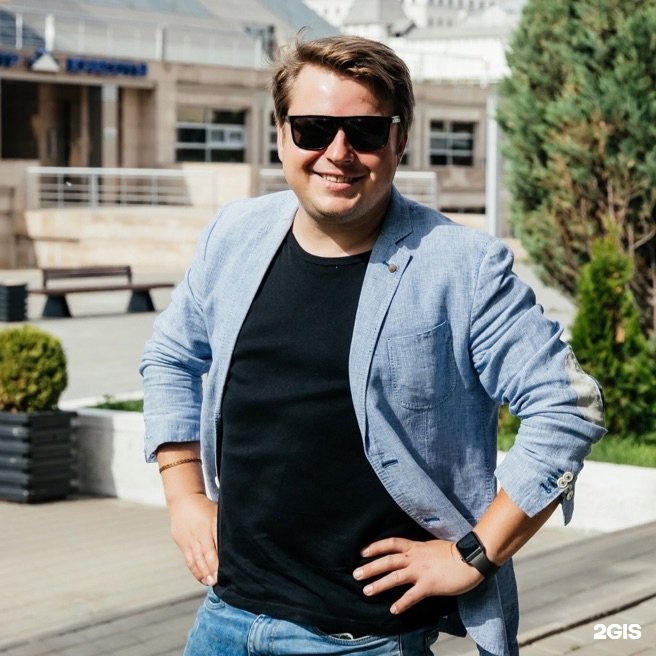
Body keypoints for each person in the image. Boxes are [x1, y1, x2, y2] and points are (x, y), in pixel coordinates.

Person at [140, 34, 605, 656]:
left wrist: (473, 554)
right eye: (312, 129)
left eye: (363, 131)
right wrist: (184, 495)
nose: (338, 153)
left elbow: (567, 406)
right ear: (280, 133)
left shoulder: (460, 266)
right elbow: (170, 356)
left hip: (361, 638)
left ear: (398, 140)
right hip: (226, 615)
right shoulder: (235, 234)